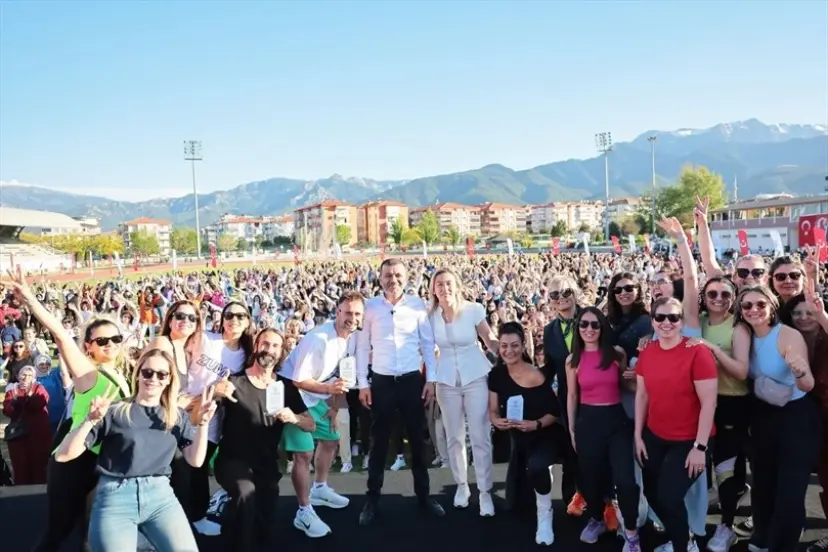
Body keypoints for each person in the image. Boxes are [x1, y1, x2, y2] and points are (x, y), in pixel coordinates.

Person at [54, 348, 216, 552]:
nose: (153, 379)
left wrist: (203, 424)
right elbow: (63, 455)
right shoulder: (114, 411)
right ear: (138, 374)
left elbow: (195, 460)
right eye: (147, 372)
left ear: (169, 379)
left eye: (161, 374)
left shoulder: (176, 417)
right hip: (115, 498)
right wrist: (90, 420)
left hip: (161, 498)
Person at [356, 258, 443, 525]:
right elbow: (362, 347)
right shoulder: (370, 307)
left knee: (417, 440)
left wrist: (431, 380)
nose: (392, 280)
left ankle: (424, 496)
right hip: (381, 382)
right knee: (378, 442)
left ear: (406, 278)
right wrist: (363, 383)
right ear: (379, 278)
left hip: (411, 381)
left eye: (397, 275)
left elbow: (427, 344)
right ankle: (372, 499)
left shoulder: (417, 306)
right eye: (387, 275)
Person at [215, 328, 315, 552]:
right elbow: (205, 408)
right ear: (256, 346)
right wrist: (214, 392)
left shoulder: (285, 387)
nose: (269, 350)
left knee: (264, 516)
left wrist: (295, 418)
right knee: (245, 493)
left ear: (281, 352)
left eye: (275, 346)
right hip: (232, 460)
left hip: (266, 464)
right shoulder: (234, 382)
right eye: (265, 344)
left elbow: (311, 424)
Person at [634, 297, 718, 552]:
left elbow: (709, 403)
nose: (666, 322)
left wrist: (700, 448)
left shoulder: (697, 353)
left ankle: (684, 545)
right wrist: (638, 435)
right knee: (652, 494)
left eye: (673, 317)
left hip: (690, 440)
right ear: (652, 321)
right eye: (660, 317)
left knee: (669, 496)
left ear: (682, 322)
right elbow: (642, 395)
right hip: (655, 435)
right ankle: (682, 536)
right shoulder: (647, 351)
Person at [279, 291, 365, 537]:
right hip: (293, 393)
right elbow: (298, 380)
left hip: (315, 394)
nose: (352, 318)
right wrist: (329, 391)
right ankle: (303, 511)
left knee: (331, 439)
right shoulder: (318, 339)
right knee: (304, 453)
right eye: (347, 312)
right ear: (337, 312)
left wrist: (334, 407)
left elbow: (338, 377)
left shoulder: (351, 338)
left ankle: (319, 488)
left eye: (357, 314)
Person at [564, 307, 640, 550]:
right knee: (590, 479)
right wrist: (572, 429)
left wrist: (640, 380)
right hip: (587, 422)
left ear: (602, 327)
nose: (589, 329)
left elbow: (627, 385)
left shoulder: (616, 354)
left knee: (625, 481)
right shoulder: (572, 360)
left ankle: (631, 532)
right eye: (584, 324)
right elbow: (572, 395)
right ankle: (597, 518)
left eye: (595, 324)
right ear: (578, 328)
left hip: (616, 420)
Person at [428, 268, 498, 515]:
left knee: (480, 436)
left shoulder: (473, 310)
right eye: (439, 284)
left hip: (475, 376)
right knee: (454, 437)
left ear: (457, 285)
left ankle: (485, 492)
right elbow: (426, 348)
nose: (444, 288)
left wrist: (509, 350)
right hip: (446, 380)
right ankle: (461, 486)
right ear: (433, 289)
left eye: (448, 283)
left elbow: (489, 339)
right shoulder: (430, 317)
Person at [488, 322, 562, 546]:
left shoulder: (536, 375)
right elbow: (492, 410)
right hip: (519, 439)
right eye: (504, 346)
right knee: (521, 497)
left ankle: (545, 514)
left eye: (514, 345)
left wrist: (535, 424)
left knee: (537, 466)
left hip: (544, 434)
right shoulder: (496, 375)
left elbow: (555, 413)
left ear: (522, 346)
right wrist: (496, 421)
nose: (509, 350)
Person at [3, 365, 51, 484]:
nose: (26, 378)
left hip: (38, 433)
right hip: (19, 434)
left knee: (39, 461)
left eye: (30, 375)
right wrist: (13, 404)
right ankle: (22, 489)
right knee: (20, 463)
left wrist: (29, 398)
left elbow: (42, 401)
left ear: (34, 377)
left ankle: (40, 487)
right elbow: (7, 410)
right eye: (23, 375)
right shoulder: (12, 391)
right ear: (18, 376)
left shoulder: (38, 388)